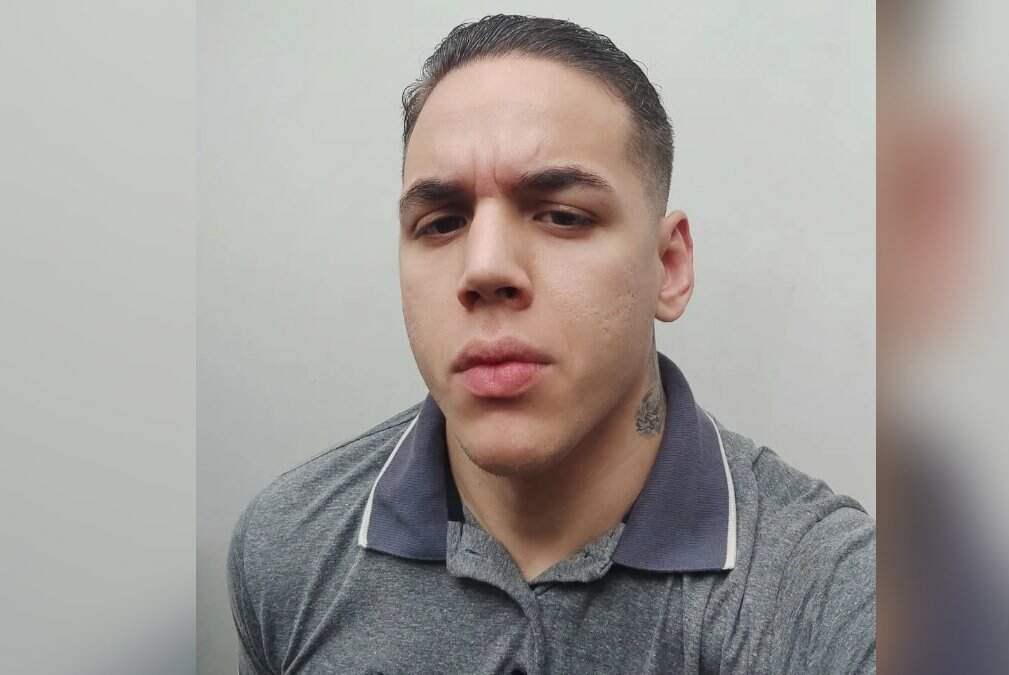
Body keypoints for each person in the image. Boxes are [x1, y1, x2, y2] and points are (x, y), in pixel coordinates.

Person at [227, 14, 875, 674]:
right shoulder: (289, 546)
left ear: (669, 267)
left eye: (563, 215)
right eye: (441, 223)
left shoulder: (834, 596)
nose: (485, 269)